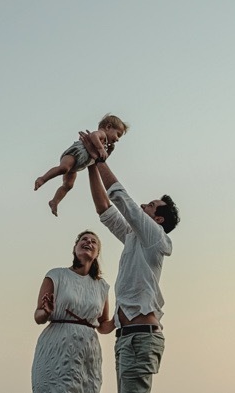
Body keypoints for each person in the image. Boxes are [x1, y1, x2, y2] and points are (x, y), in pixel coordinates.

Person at [81, 130, 179, 393]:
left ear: (158, 220)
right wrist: (91, 165)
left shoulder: (154, 237)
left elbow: (123, 201)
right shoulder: (134, 238)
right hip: (126, 338)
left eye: (149, 205)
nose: (143, 206)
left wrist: (101, 158)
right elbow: (105, 209)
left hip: (140, 338)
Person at [31, 230, 116, 393]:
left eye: (93, 241)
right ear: (75, 248)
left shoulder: (101, 286)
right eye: (84, 239)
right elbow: (38, 316)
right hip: (57, 345)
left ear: (97, 253)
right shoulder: (56, 275)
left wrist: (119, 318)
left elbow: (103, 326)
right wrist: (46, 312)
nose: (88, 242)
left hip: (88, 352)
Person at [35, 114, 129, 216]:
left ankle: (54, 201)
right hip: (75, 154)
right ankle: (42, 179)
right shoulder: (101, 134)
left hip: (77, 166)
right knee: (63, 168)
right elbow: (93, 136)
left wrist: (108, 152)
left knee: (68, 185)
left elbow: (101, 159)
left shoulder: (105, 144)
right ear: (108, 127)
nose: (118, 139)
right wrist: (101, 148)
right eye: (118, 134)